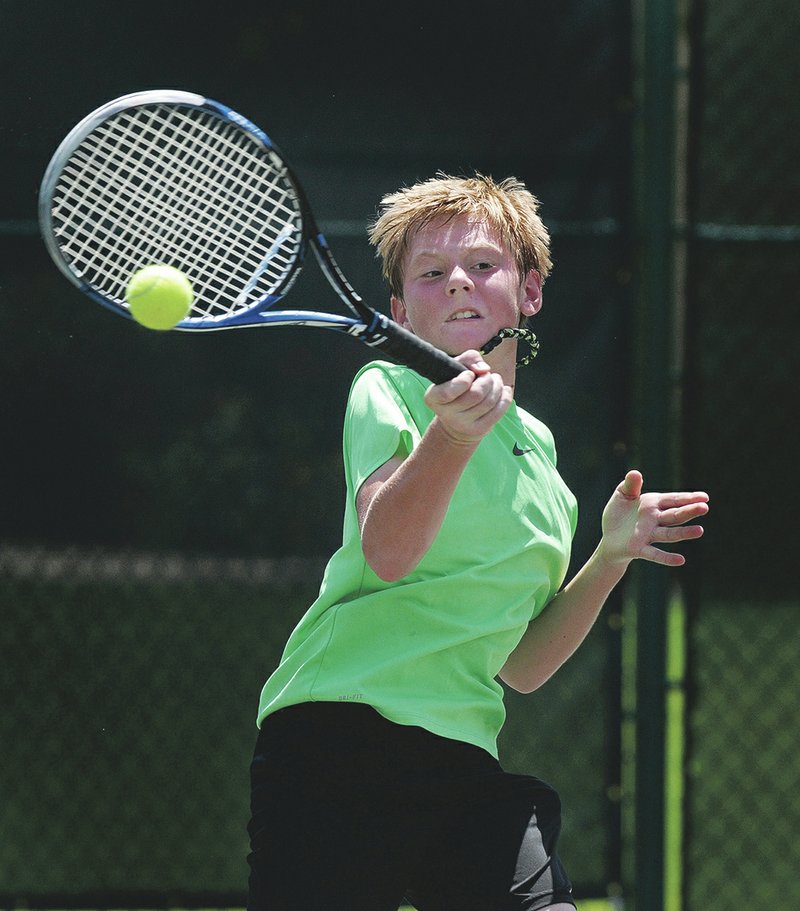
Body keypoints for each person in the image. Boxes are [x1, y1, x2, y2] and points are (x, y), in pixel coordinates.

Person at [246, 174, 709, 911]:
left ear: (529, 292)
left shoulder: (543, 461)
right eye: (431, 273)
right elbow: (389, 550)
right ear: (400, 311)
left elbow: (521, 665)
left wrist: (611, 555)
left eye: (483, 265)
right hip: (336, 743)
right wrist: (454, 435)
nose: (457, 281)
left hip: (463, 766)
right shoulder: (387, 387)